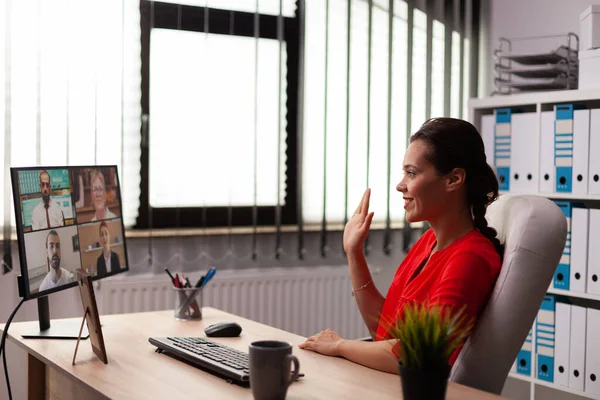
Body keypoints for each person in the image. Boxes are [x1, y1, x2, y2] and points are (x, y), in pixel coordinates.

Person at [298, 118, 503, 374]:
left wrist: (339, 346)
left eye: (412, 173)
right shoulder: (429, 243)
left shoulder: (470, 258)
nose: (400, 185)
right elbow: (384, 333)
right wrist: (354, 254)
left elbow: (420, 356)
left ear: (454, 179)